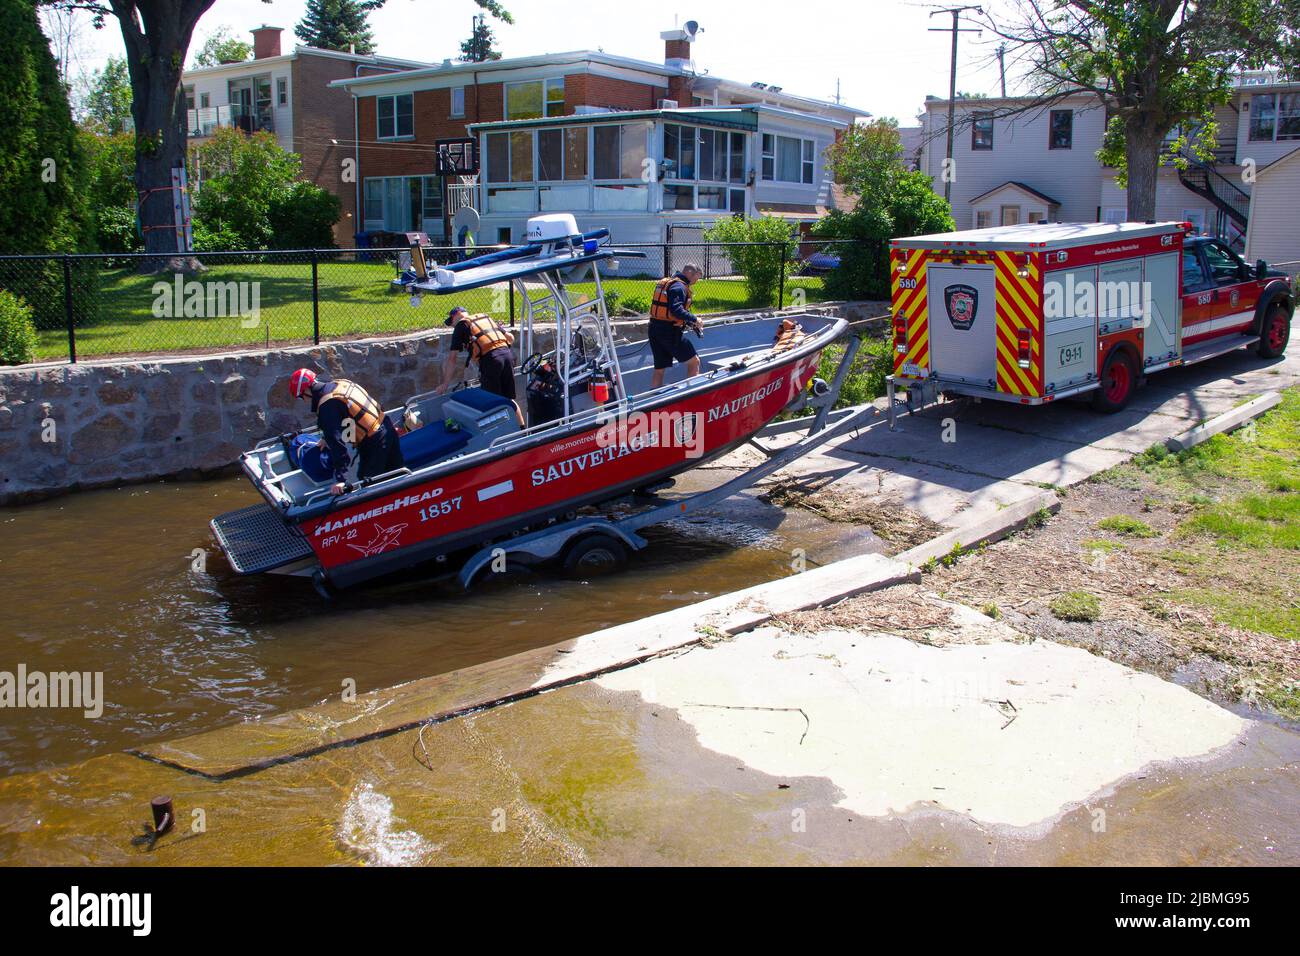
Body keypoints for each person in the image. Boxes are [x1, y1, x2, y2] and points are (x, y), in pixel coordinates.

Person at [288, 368, 404, 495]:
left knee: (368, 487)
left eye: (301, 397)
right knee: (397, 476)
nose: (304, 400)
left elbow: (337, 444)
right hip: (387, 429)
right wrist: (326, 438)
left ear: (306, 391)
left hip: (375, 442)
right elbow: (349, 417)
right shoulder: (339, 385)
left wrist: (341, 479)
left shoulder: (327, 405)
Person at [438, 305, 518, 401]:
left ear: (456, 315)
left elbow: (452, 359)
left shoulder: (461, 325)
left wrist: (445, 384)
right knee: (509, 400)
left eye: (451, 322)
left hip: (491, 361)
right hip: (508, 356)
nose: (453, 326)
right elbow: (511, 338)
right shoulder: (483, 318)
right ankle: (518, 416)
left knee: (492, 401)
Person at [648, 263, 703, 388]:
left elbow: (670, 311)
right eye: (697, 278)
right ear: (690, 273)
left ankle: (654, 399)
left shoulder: (670, 283)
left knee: (659, 368)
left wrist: (690, 322)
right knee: (694, 362)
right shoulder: (679, 286)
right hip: (669, 332)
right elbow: (676, 310)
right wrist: (695, 319)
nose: (696, 281)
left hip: (654, 329)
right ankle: (692, 394)